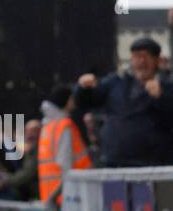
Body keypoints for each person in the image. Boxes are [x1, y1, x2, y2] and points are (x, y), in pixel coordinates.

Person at [74, 37, 173, 167]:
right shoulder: (116, 83)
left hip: (150, 166)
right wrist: (83, 88)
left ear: (157, 60)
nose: (141, 62)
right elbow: (86, 102)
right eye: (137, 57)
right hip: (115, 164)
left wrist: (161, 97)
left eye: (145, 57)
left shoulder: (167, 86)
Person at [34, 85, 91, 203]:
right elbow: (66, 164)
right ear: (66, 100)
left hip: (51, 197)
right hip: (70, 197)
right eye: (71, 98)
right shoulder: (64, 126)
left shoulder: (47, 127)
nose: (74, 101)